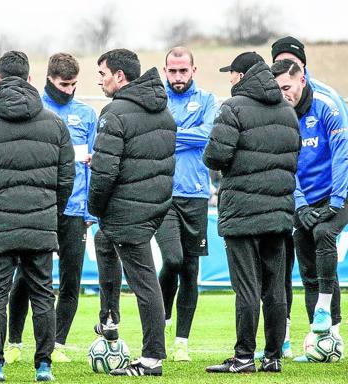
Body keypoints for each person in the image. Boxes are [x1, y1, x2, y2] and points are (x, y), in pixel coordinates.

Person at [0, 50, 75, 383]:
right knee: (42, 294)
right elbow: (66, 179)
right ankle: (44, 366)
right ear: (30, 78)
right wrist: (51, 210)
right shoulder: (55, 123)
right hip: (40, 223)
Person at [203, 52, 300, 374]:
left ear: (241, 75)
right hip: (279, 210)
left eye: (231, 73)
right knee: (275, 287)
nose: (229, 79)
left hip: (243, 213)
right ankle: (272, 357)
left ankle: (243, 357)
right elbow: (293, 156)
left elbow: (215, 157)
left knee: (246, 288)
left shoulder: (233, 108)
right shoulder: (288, 109)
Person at [89, 48, 176, 376]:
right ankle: (109, 319)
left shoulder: (115, 113)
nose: (100, 81)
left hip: (126, 211)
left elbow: (105, 172)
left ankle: (152, 359)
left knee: (144, 282)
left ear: (120, 76)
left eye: (103, 74)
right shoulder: (163, 112)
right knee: (103, 241)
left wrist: (96, 207)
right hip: (153, 207)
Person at [6, 52, 97, 364]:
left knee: (71, 281)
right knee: (24, 277)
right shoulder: (36, 109)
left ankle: (56, 343)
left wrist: (89, 211)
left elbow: (94, 164)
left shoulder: (87, 114)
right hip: (41, 207)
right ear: (49, 79)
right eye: (63, 84)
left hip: (74, 212)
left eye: (73, 84)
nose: (69, 90)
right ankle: (14, 341)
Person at [270, 36, 348, 357]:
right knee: (306, 265)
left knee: (324, 234)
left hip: (339, 192)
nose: (283, 95)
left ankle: (327, 316)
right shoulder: (278, 111)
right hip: (306, 197)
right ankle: (323, 344)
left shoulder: (328, 104)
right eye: (278, 89)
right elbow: (287, 162)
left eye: (287, 88)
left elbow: (343, 155)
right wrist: (300, 204)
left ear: (302, 75)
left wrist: (337, 201)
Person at [155, 46, 217, 362]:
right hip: (162, 194)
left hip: (195, 194)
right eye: (172, 70)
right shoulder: (157, 100)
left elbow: (207, 135)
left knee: (190, 271)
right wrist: (183, 135)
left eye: (183, 70)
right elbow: (153, 135)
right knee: (174, 259)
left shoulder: (207, 101)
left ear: (193, 69)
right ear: (165, 70)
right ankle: (163, 316)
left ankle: (181, 342)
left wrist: (170, 135)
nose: (177, 76)